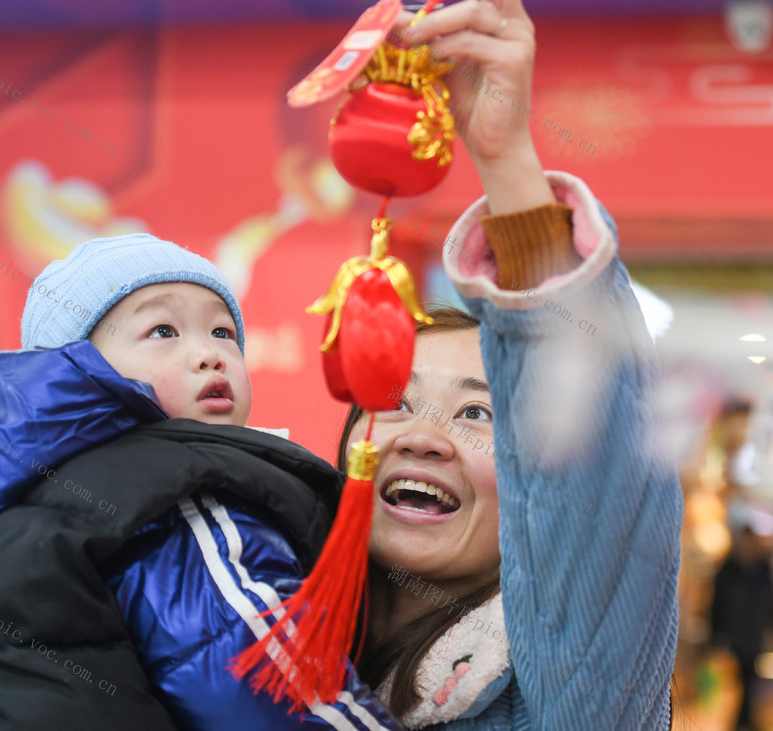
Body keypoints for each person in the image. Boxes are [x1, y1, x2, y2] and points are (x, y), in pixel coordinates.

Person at [0, 236, 400, 730]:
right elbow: (266, 685)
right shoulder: (179, 492)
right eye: (162, 330)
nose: (209, 353)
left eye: (223, 331)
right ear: (75, 368)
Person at [321, 1, 683, 727]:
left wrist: (506, 159)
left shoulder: (570, 692)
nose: (422, 435)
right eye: (395, 396)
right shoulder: (236, 628)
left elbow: (594, 478)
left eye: (478, 412)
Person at [710, 526, 773, 730]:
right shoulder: (728, 571)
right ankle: (742, 720)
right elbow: (717, 604)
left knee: (748, 678)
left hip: (753, 636)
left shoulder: (763, 573)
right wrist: (716, 633)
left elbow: (768, 605)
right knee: (736, 679)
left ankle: (743, 720)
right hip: (733, 635)